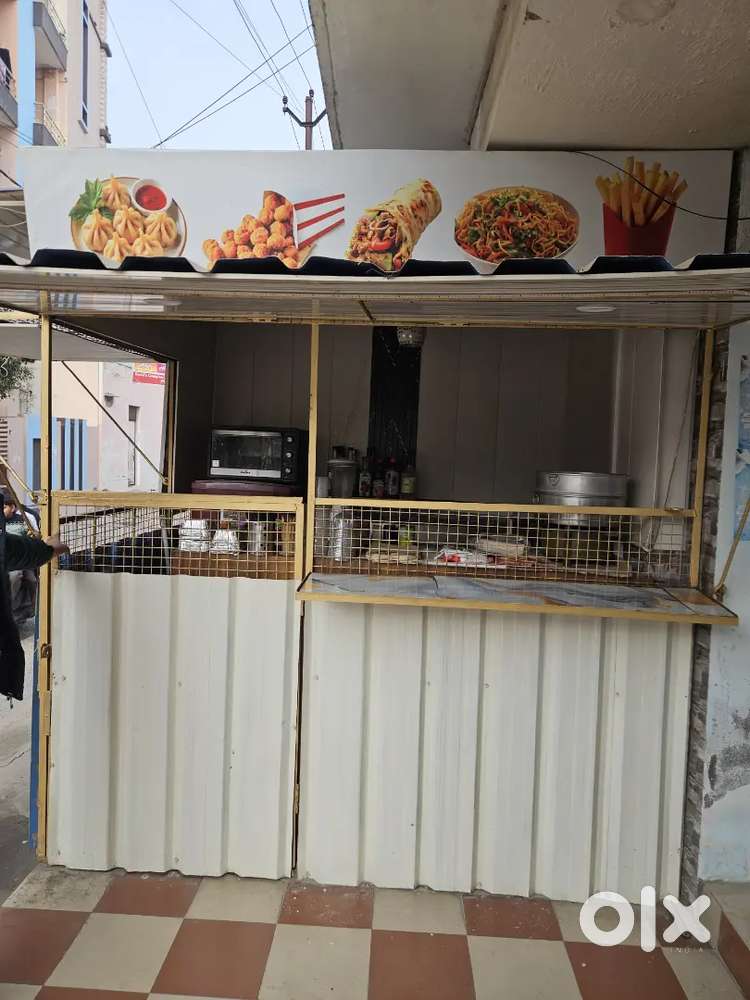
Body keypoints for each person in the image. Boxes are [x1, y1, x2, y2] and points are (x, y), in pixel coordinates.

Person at [0, 498, 68, 700]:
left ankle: (26, 610)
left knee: (27, 579)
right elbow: (10, 550)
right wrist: (46, 550)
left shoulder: (27, 516)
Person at [3, 489, 40, 624]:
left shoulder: (24, 519)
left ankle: (31, 609)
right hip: (7, 559)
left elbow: (34, 537)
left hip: (21, 559)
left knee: (31, 580)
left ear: (13, 508)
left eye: (4, 507)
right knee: (15, 576)